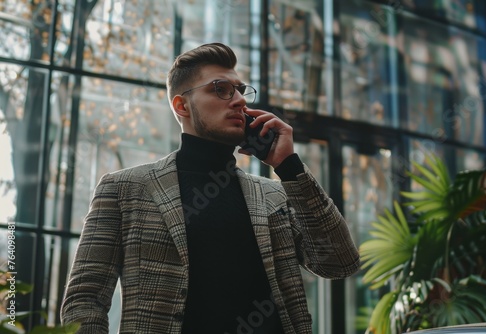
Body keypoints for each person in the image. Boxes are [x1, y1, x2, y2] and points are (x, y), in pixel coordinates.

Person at [61, 42, 360, 334]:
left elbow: (340, 263)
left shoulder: (274, 195)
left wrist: (289, 167)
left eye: (240, 90)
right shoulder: (124, 190)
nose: (240, 100)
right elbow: (85, 300)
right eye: (220, 89)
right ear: (182, 105)